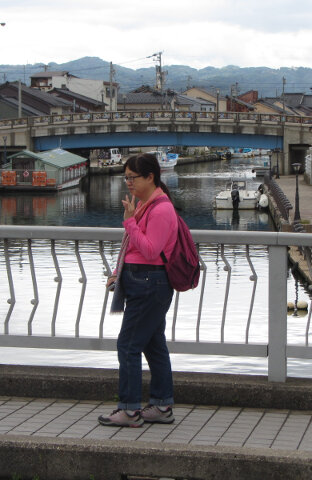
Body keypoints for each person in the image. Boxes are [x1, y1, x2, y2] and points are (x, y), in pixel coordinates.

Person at [98, 153, 177, 428]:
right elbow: (135, 249)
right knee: (153, 345)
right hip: (144, 282)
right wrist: (120, 274)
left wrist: (129, 221)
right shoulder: (147, 205)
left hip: (149, 283)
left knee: (128, 345)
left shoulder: (161, 209)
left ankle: (130, 410)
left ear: (150, 177)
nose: (128, 182)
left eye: (133, 177)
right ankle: (161, 405)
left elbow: (151, 250)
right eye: (126, 178)